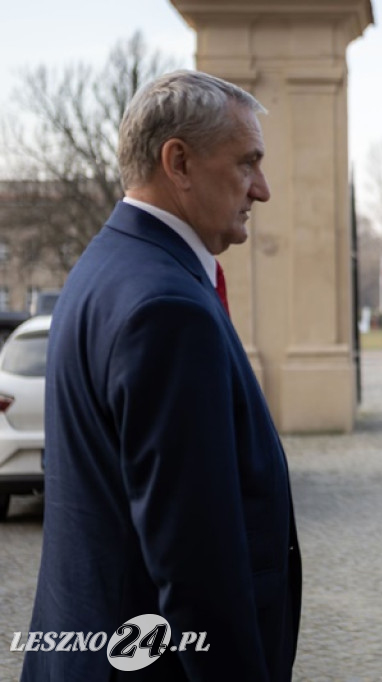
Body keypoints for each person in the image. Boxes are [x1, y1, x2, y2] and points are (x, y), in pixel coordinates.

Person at [22, 70, 301, 681]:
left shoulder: (104, 267)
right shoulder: (166, 308)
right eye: (247, 163)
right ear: (178, 162)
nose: (263, 189)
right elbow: (195, 562)